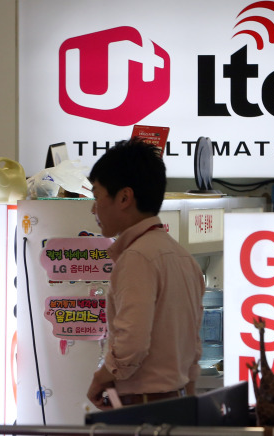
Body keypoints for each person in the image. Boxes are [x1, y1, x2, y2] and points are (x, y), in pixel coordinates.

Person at [86, 139, 205, 409]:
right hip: (175, 404)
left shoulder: (137, 258)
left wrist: (100, 378)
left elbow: (132, 344)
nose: (93, 209)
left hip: (142, 409)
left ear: (124, 197)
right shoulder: (182, 256)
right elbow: (194, 347)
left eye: (96, 196)